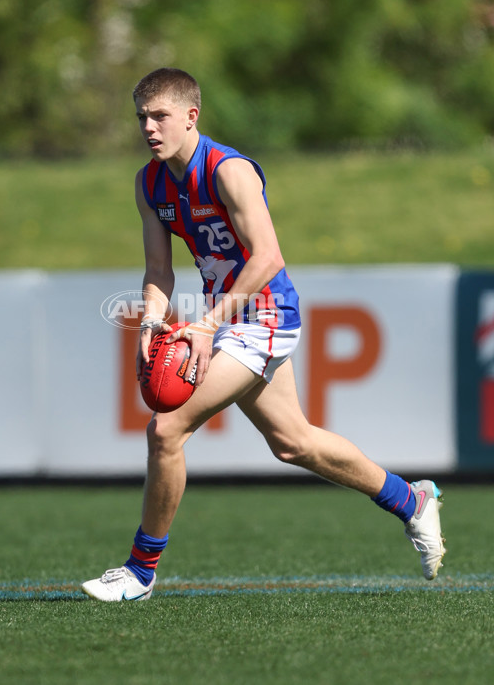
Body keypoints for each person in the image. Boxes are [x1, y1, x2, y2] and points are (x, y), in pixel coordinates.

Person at [81, 68, 445, 602]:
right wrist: (153, 321)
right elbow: (159, 270)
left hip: (265, 314)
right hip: (226, 318)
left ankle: (140, 571)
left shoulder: (228, 171)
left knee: (166, 432)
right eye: (142, 118)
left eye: (160, 116)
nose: (150, 128)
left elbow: (268, 256)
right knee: (293, 443)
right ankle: (411, 501)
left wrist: (205, 326)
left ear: (191, 116)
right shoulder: (149, 183)